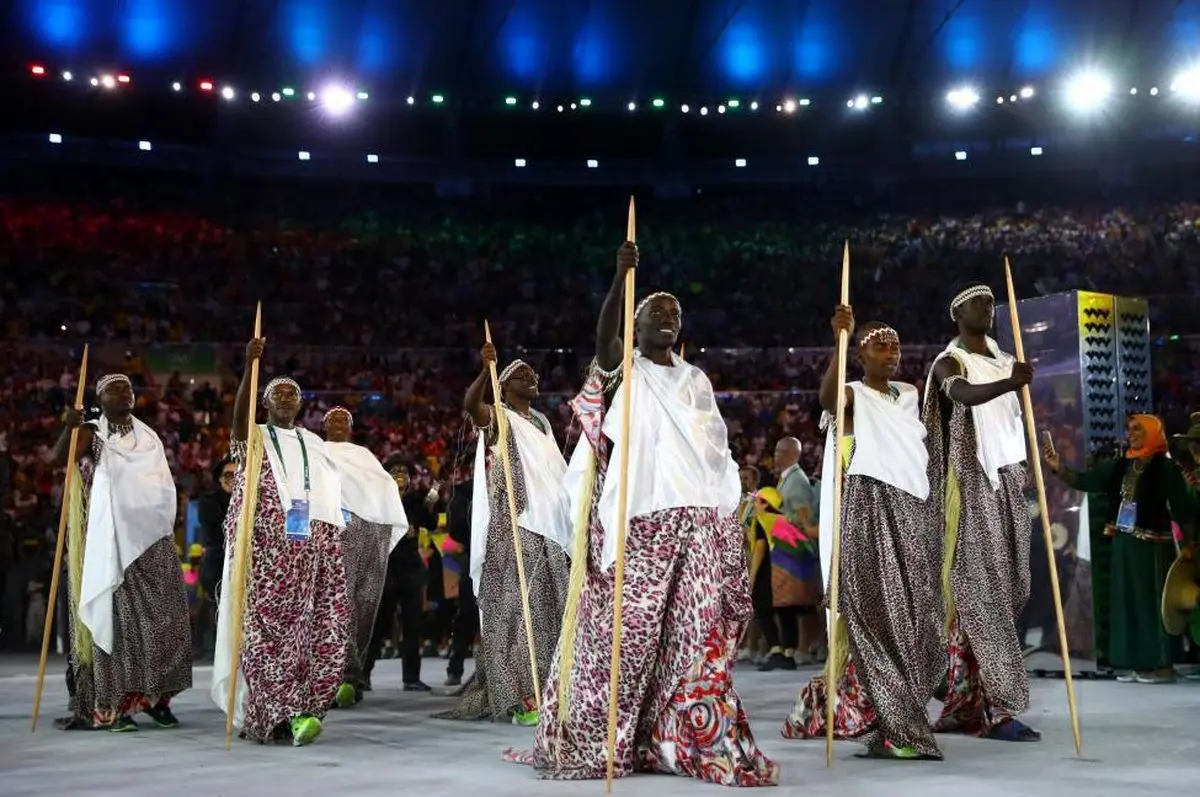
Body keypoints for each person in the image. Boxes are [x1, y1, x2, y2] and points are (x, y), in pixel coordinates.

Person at [507, 242, 778, 786]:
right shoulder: (621, 369)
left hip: (698, 515)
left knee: (695, 633)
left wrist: (725, 503)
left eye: (675, 314)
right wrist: (619, 276)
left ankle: (688, 739)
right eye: (656, 313)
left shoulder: (696, 379)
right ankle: (603, 736)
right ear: (636, 323)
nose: (669, 320)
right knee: (625, 638)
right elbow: (605, 341)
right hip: (638, 518)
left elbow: (714, 446)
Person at [782, 309, 944, 760]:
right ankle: (899, 727)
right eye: (880, 345)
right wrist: (839, 340)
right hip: (869, 507)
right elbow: (828, 399)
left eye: (895, 345)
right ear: (861, 355)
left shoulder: (909, 394)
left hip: (911, 507)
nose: (891, 352)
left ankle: (899, 720)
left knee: (915, 616)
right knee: (875, 613)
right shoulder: (851, 393)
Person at [211, 341, 350, 747]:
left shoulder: (315, 443)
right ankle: (284, 712)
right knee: (267, 629)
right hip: (269, 551)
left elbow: (328, 497)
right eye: (278, 393)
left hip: (314, 547)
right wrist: (249, 369)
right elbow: (237, 422)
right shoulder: (256, 437)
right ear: (265, 402)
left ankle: (300, 707)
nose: (287, 398)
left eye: (294, 393)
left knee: (318, 628)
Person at [923, 282, 1039, 742]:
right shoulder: (949, 361)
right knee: (982, 591)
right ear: (957, 313)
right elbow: (965, 395)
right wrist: (1011, 382)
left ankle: (962, 700)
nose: (989, 308)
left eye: (992, 302)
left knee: (1008, 589)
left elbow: (1014, 418)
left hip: (1008, 480)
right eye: (979, 302)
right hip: (971, 485)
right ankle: (999, 707)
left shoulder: (1006, 361)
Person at [434, 345, 571, 725]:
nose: (532, 379)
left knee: (549, 608)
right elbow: (469, 404)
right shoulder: (498, 418)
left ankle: (549, 687)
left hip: (550, 526)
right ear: (503, 386)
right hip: (516, 521)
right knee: (516, 608)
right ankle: (518, 694)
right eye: (522, 375)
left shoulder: (543, 423)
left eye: (534, 375)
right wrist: (484, 370)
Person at [52, 373, 191, 732]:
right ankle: (117, 706)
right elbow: (57, 459)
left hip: (154, 540)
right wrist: (69, 429)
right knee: (119, 625)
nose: (124, 393)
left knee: (166, 621)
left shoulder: (149, 436)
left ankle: (157, 700)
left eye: (128, 387)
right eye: (114, 388)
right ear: (100, 397)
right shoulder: (92, 433)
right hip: (112, 544)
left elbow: (162, 485)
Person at [1044, 414, 1196, 683]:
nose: (1131, 433)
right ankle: (1137, 662)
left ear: (1152, 432)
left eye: (1138, 429)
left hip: (1151, 547)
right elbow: (1090, 481)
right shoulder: (1122, 465)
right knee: (1126, 603)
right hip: (1124, 543)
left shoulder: (1165, 468)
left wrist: (1190, 544)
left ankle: (1161, 665)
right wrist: (1059, 468)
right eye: (1129, 429)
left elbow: (1183, 508)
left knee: (1150, 604)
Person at [322, 407, 409, 706]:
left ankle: (351, 677)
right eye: (331, 420)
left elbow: (383, 492)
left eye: (343, 420)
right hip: (335, 535)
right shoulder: (317, 451)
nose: (337, 424)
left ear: (351, 427)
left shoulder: (365, 456)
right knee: (337, 605)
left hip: (371, 534)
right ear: (323, 426)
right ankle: (334, 676)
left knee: (365, 605)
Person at [365, 458, 438, 692]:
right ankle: (363, 675)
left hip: (410, 571)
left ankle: (411, 677)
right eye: (395, 471)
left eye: (404, 471)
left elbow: (432, 525)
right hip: (386, 570)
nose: (400, 475)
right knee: (378, 627)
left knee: (413, 626)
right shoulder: (378, 500)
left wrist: (429, 506)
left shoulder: (415, 500)